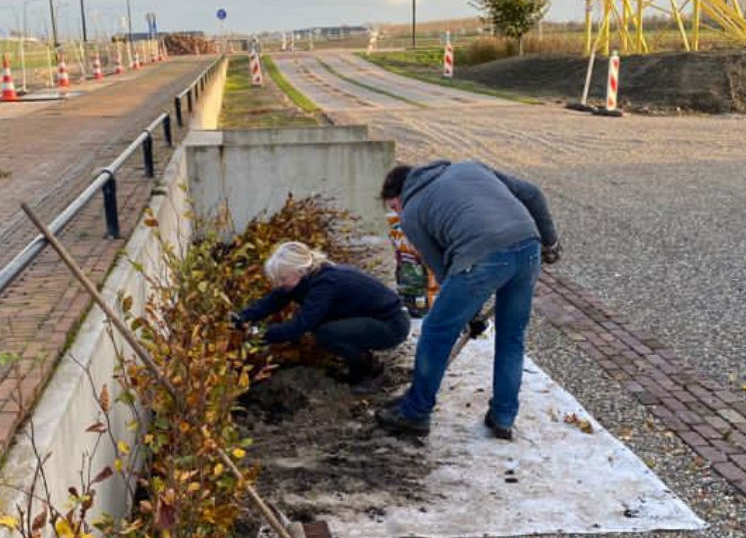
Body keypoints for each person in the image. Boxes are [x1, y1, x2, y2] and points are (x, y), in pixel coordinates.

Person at [375, 160, 561, 440]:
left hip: (483, 258)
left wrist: (466, 312)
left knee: (436, 333)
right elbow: (532, 193)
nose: (396, 215)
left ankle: (415, 413)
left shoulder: (412, 212)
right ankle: (503, 416)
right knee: (512, 337)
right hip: (528, 246)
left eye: (393, 207)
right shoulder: (470, 168)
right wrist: (550, 242)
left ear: (400, 195)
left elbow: (442, 270)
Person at [234, 241, 411, 390]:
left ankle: (371, 370)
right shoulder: (304, 279)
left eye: (282, 278)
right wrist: (241, 319)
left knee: (325, 333)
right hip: (375, 319)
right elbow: (272, 302)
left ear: (300, 271)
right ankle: (360, 365)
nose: (280, 284)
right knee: (326, 328)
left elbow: (300, 326)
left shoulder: (325, 283)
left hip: (392, 324)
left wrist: (258, 335)